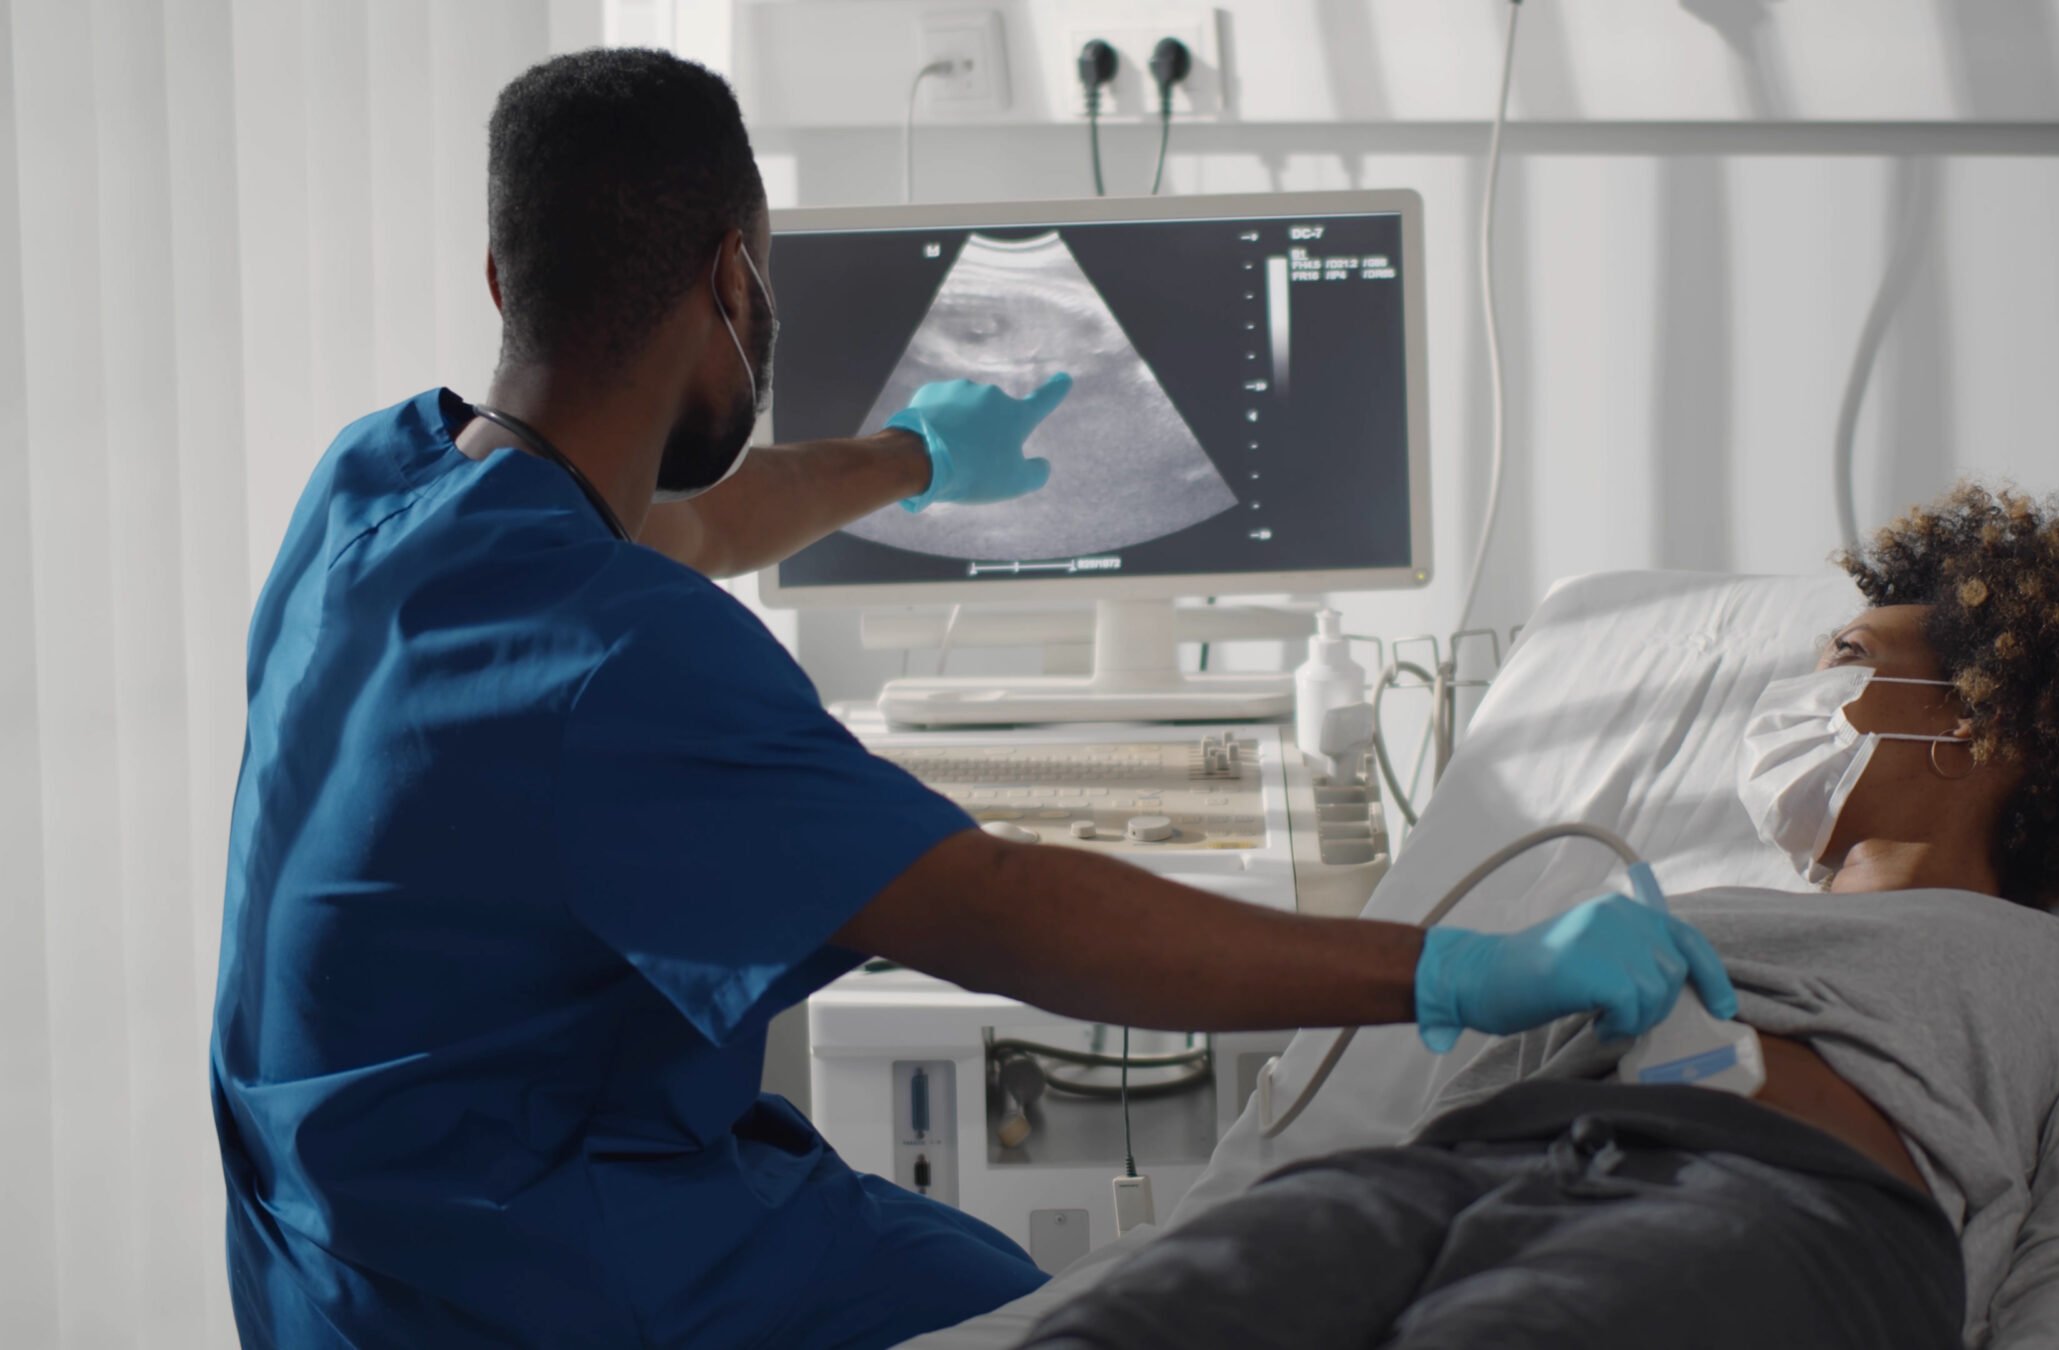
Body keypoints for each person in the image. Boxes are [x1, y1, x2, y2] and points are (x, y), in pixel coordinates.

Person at [208, 49, 1733, 1350]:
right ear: (732, 279)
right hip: (508, 1283)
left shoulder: (382, 480)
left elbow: (689, 522)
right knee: (1057, 1317)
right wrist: (1460, 969)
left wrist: (916, 460)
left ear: (501, 277)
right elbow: (1003, 907)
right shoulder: (621, 667)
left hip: (329, 1251)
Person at [1020, 485, 2059, 1350]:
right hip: (1463, 1174)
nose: (1799, 693)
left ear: (1982, 725)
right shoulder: (1654, 913)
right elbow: (1463, 1097)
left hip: (1776, 1211)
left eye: (1844, 658)